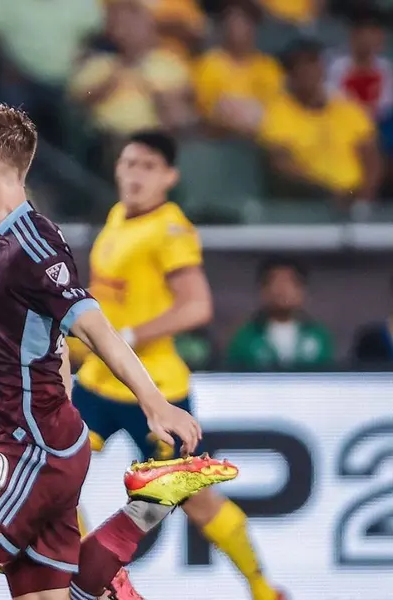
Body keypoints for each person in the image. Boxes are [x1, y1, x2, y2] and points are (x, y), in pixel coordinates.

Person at [0, 104, 237, 600]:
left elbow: (94, 328)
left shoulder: (32, 244)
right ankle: (141, 514)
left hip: (30, 448)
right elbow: (54, 335)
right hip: (41, 442)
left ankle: (137, 522)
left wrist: (155, 404)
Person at [73, 131, 284, 600]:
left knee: (194, 500)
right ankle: (93, 576)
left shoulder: (171, 230)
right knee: (52, 473)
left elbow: (196, 307)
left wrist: (127, 338)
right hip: (96, 382)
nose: (135, 174)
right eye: (129, 163)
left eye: (149, 166)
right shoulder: (116, 219)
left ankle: (262, 588)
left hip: (156, 389)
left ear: (170, 177)